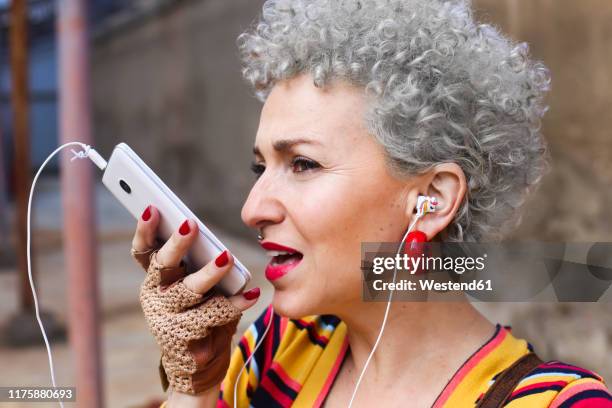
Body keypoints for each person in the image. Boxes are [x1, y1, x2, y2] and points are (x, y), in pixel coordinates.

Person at [130, 0, 612, 406]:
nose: (252, 209)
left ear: (432, 199)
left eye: (302, 164)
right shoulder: (277, 347)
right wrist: (197, 384)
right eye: (261, 168)